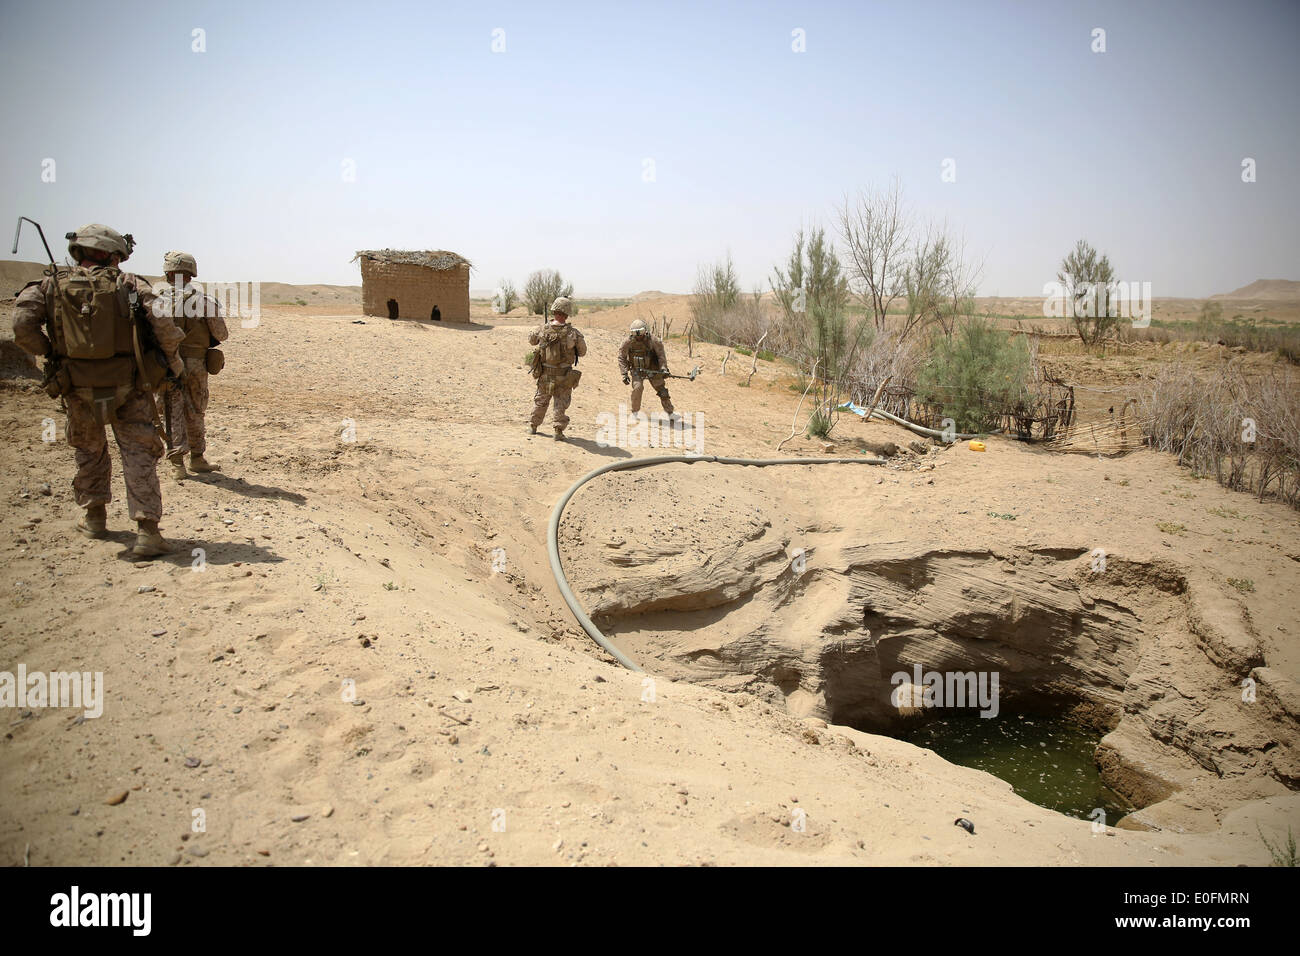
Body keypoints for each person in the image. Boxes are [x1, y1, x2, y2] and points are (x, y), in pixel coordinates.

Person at [12, 223, 184, 556]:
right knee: (138, 452)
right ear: (113, 255)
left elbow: (22, 326)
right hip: (129, 384)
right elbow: (166, 327)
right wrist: (171, 365)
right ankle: (147, 531)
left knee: (88, 449)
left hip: (75, 384)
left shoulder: (50, 284)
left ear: (78, 252)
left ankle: (94, 517)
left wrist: (50, 352)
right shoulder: (132, 285)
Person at [153, 251, 228, 480]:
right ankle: (197, 458)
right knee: (196, 409)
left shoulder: (156, 301)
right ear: (191, 273)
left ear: (167, 274)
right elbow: (221, 334)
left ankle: (178, 464)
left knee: (171, 409)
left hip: (165, 363)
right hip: (196, 364)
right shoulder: (204, 301)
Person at [527, 296, 586, 441]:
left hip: (545, 374)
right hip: (564, 375)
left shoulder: (542, 329)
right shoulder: (573, 333)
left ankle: (533, 427)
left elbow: (531, 340)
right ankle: (558, 431)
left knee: (541, 401)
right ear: (566, 314)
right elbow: (583, 352)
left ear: (553, 311)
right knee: (561, 403)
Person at [619, 318, 674, 418]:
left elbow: (661, 356)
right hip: (637, 370)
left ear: (645, 331)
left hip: (653, 369)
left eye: (640, 332)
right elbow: (622, 357)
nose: (638, 336)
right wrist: (624, 373)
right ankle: (635, 412)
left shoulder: (654, 340)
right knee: (637, 388)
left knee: (662, 390)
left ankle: (670, 412)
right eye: (635, 333)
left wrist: (663, 369)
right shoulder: (628, 342)